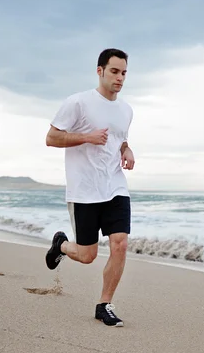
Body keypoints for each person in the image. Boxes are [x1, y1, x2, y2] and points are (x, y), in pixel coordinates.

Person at [44, 48, 135, 327]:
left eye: (124, 73)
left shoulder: (126, 110)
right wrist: (87, 137)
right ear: (100, 71)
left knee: (120, 243)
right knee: (87, 255)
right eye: (114, 72)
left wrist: (127, 149)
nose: (120, 78)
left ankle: (104, 305)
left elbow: (118, 139)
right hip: (84, 189)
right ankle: (61, 245)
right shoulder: (78, 103)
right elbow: (51, 138)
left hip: (115, 186)